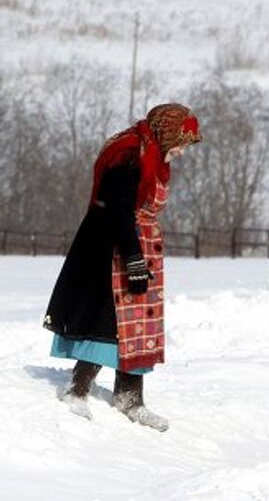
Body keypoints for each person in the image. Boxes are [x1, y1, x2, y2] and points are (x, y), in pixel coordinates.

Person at [43, 103, 202, 431]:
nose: (183, 152)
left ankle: (131, 397)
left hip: (138, 244)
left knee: (138, 322)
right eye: (183, 144)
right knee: (110, 319)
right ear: (167, 133)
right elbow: (116, 210)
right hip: (111, 246)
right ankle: (77, 388)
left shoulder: (153, 155)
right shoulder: (129, 155)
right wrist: (132, 257)